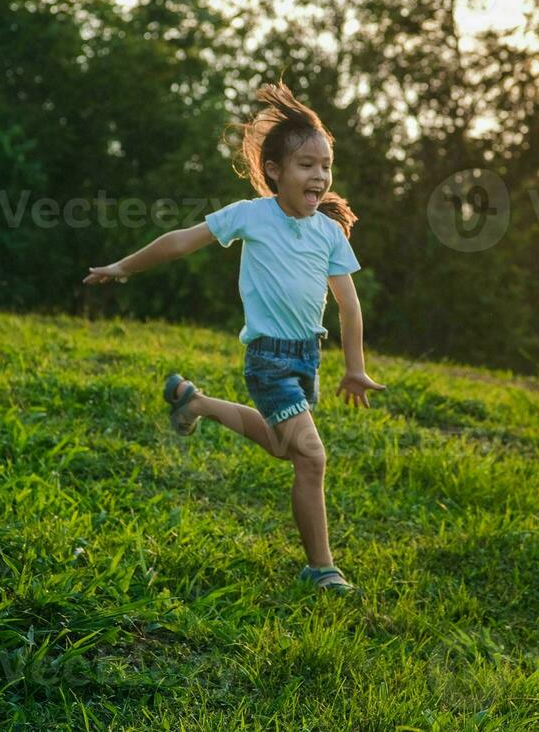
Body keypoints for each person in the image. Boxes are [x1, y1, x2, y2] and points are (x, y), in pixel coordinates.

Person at [83, 81, 385, 594]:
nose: (319, 176)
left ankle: (193, 402)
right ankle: (322, 568)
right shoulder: (251, 215)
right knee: (311, 456)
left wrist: (354, 367)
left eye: (326, 166)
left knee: (280, 445)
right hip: (267, 359)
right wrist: (123, 266)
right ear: (274, 171)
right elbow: (182, 241)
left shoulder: (328, 232)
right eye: (307, 165)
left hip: (305, 360)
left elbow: (349, 306)